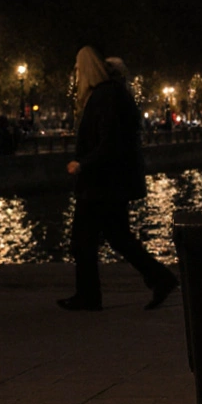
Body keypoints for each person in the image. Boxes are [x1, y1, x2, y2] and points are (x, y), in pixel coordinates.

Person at [58, 46, 178, 311]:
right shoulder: (114, 94)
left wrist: (82, 164)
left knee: (83, 240)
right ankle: (160, 278)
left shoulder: (103, 97)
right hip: (112, 182)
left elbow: (109, 142)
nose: (76, 75)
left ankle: (89, 295)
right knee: (117, 236)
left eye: (78, 69)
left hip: (100, 182)